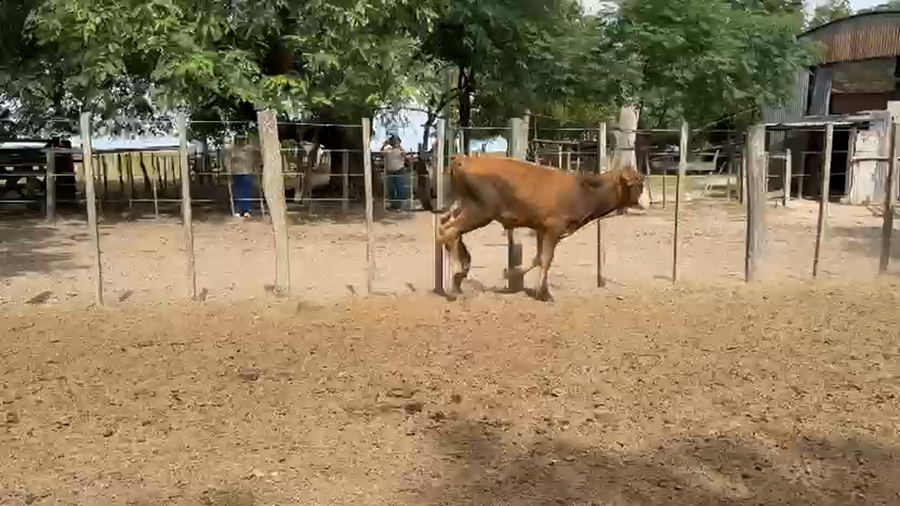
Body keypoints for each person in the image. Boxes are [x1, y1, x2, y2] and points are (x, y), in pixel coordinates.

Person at [225, 134, 260, 218]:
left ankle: (246, 210)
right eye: (239, 139)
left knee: (246, 192)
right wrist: (228, 171)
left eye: (242, 139)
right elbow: (227, 161)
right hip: (236, 173)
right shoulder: (232, 149)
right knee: (237, 192)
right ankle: (237, 210)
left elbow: (257, 157)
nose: (241, 141)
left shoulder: (250, 149)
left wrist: (256, 167)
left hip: (248, 172)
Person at [381, 134, 408, 211]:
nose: (393, 142)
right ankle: (393, 205)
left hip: (399, 171)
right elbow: (382, 154)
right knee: (391, 189)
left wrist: (399, 145)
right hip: (390, 172)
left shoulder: (401, 150)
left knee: (400, 189)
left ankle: (399, 206)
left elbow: (405, 155)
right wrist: (384, 145)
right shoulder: (388, 150)